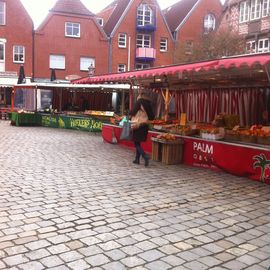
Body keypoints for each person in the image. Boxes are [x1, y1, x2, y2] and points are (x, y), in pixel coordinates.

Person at [129, 92, 154, 167]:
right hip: (145, 125)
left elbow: (132, 112)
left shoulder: (139, 102)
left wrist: (129, 113)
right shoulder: (149, 104)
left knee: (136, 143)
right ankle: (137, 159)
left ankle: (144, 156)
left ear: (140, 96)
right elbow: (152, 116)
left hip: (138, 125)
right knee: (138, 142)